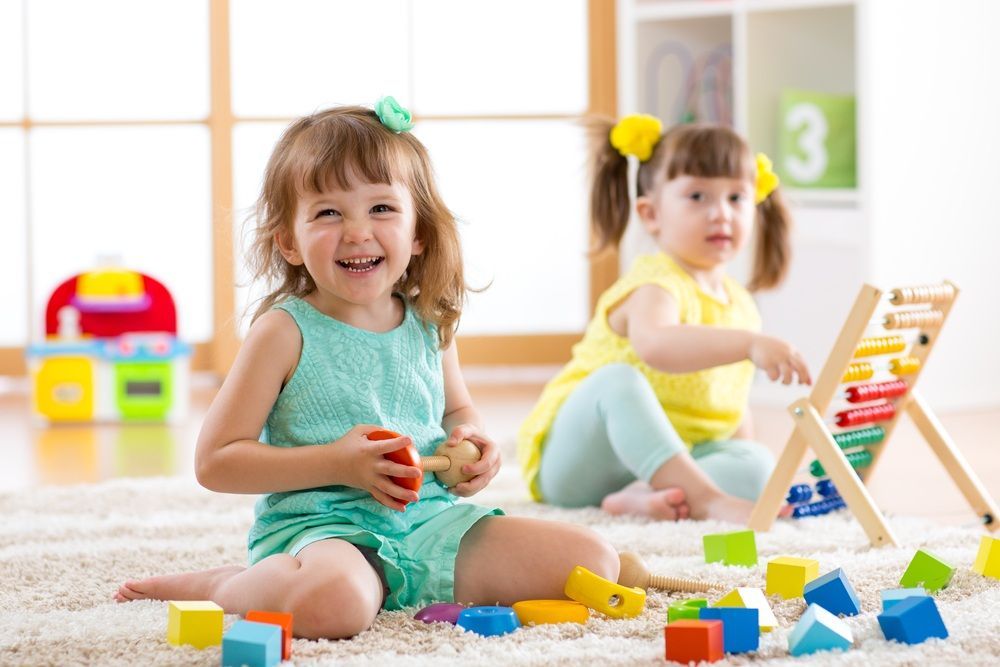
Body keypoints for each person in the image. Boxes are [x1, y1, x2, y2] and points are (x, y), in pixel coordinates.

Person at [115, 99, 618, 639]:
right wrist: (339, 463)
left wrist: (470, 446)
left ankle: (399, 582)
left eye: (381, 209)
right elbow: (216, 462)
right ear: (288, 240)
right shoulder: (283, 332)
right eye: (329, 212)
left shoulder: (429, 320)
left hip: (429, 522)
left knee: (592, 561)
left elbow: (456, 409)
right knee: (332, 607)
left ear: (418, 231)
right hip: (326, 531)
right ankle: (229, 585)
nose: (357, 232)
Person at [517, 115, 812, 524]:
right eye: (697, 197)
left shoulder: (741, 305)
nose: (721, 214)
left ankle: (645, 498)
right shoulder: (655, 283)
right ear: (651, 213)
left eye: (736, 199)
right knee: (617, 380)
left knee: (758, 464)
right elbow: (656, 346)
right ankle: (703, 498)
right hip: (581, 464)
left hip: (670, 463)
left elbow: (731, 406)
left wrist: (741, 456)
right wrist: (747, 345)